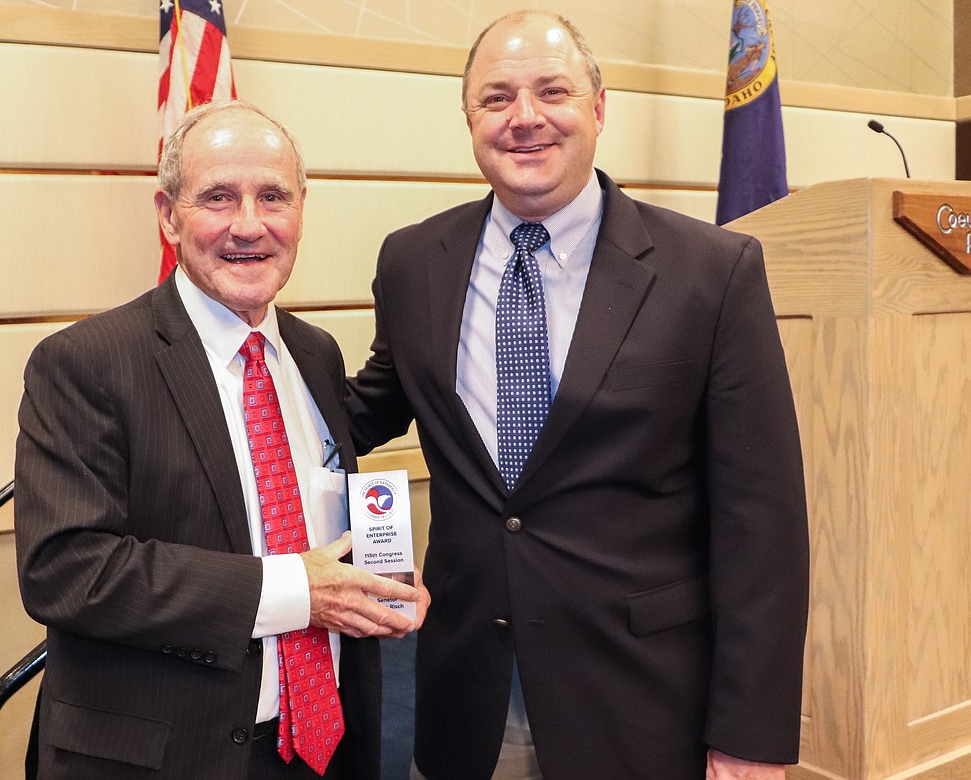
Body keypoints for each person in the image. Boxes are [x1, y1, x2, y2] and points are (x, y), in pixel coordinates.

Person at [345, 11, 809, 780]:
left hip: (641, 700)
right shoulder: (412, 261)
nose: (524, 118)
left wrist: (750, 737)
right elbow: (364, 409)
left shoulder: (712, 273)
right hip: (466, 692)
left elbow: (762, 523)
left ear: (597, 108)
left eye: (551, 91)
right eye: (496, 99)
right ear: (469, 121)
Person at [15, 99, 426, 780]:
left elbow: (311, 523)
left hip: (318, 748)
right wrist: (299, 589)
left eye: (272, 196)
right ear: (168, 213)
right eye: (217, 197)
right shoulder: (85, 362)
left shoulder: (314, 355)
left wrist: (380, 586)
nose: (248, 224)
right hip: (166, 758)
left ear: (301, 208)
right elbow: (65, 570)